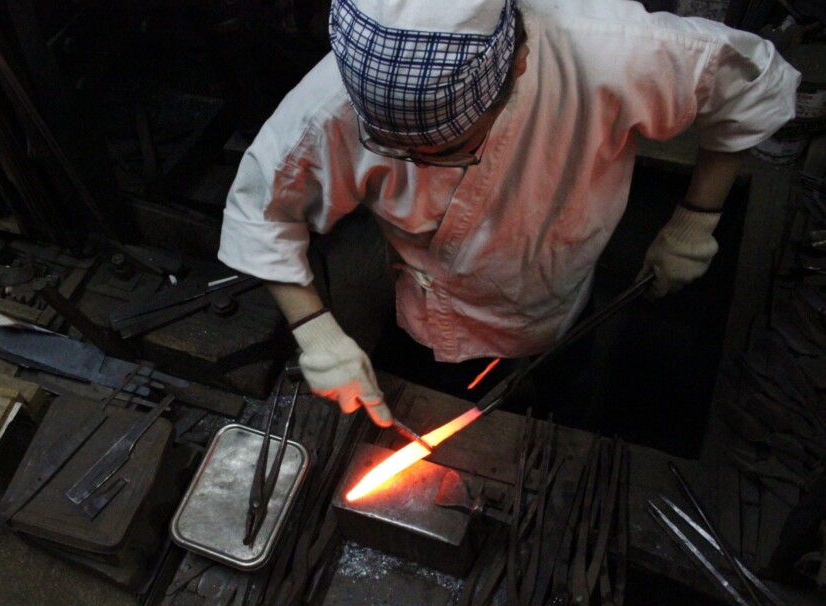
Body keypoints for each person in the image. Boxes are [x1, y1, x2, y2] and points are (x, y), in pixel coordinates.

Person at [218, 0, 800, 427]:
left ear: (518, 65)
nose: (421, 166)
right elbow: (260, 210)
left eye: (449, 150)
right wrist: (316, 332)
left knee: (566, 394)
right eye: (399, 152)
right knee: (430, 405)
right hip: (435, 316)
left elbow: (750, 84)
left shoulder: (610, 48)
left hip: (563, 299)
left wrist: (697, 218)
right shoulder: (330, 104)